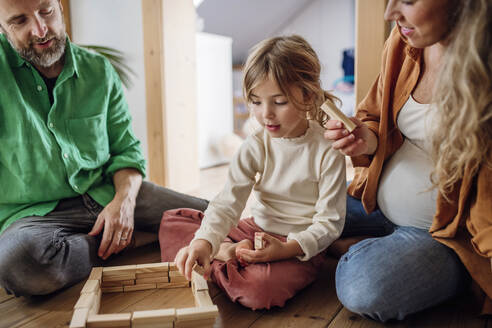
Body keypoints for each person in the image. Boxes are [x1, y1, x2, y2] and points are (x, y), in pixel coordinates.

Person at [0, 0, 208, 296]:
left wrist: (124, 203)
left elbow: (127, 151)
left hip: (108, 191)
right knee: (20, 266)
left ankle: (111, 237)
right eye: (19, 21)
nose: (40, 29)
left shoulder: (99, 70)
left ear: (60, 6)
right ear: (2, 26)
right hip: (33, 216)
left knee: (215, 218)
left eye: (46, 11)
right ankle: (133, 240)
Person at [324, 0, 491, 321]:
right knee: (290, 206)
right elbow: (373, 116)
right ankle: (364, 243)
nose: (390, 14)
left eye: (409, 1)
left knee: (365, 286)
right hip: (374, 199)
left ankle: (357, 248)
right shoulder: (404, 42)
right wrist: (366, 137)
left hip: (447, 239)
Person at [161, 35, 347, 310]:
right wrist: (204, 242)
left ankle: (222, 258)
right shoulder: (255, 144)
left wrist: (287, 248)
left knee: (259, 290)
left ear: (308, 95)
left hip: (295, 247)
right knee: (172, 221)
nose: (266, 114)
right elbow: (227, 203)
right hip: (253, 230)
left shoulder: (327, 149)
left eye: (279, 102)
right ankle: (224, 252)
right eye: (256, 102)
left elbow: (330, 223)